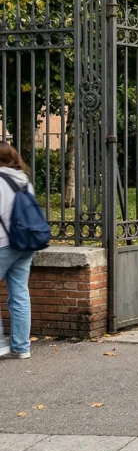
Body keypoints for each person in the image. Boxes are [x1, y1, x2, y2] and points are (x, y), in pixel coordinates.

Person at [0, 144, 36, 360]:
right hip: (25, 244)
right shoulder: (23, 180)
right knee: (20, 293)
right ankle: (22, 347)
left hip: (3, 243)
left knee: (19, 294)